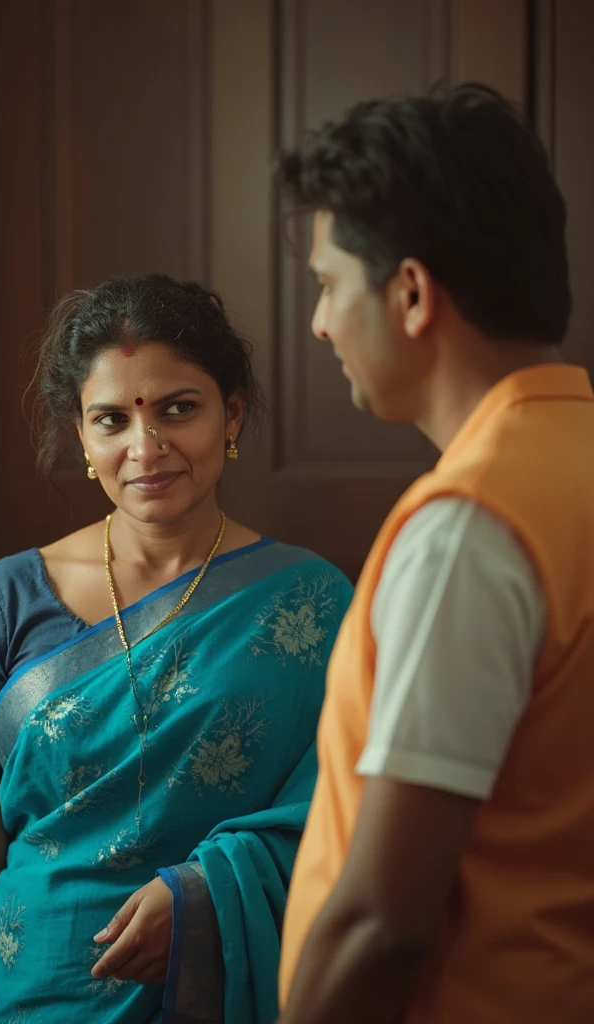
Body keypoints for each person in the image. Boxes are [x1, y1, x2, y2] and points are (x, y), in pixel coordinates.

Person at [0, 273, 353, 1024]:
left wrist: (205, 897)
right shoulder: (5, 603)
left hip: (230, 990)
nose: (144, 448)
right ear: (84, 437)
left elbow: (349, 818)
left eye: (178, 409)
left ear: (233, 415)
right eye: (111, 419)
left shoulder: (309, 603)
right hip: (37, 997)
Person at [276, 84, 594, 1024]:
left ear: (411, 294)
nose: (320, 324)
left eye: (329, 284)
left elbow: (384, 921)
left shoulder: (470, 529)